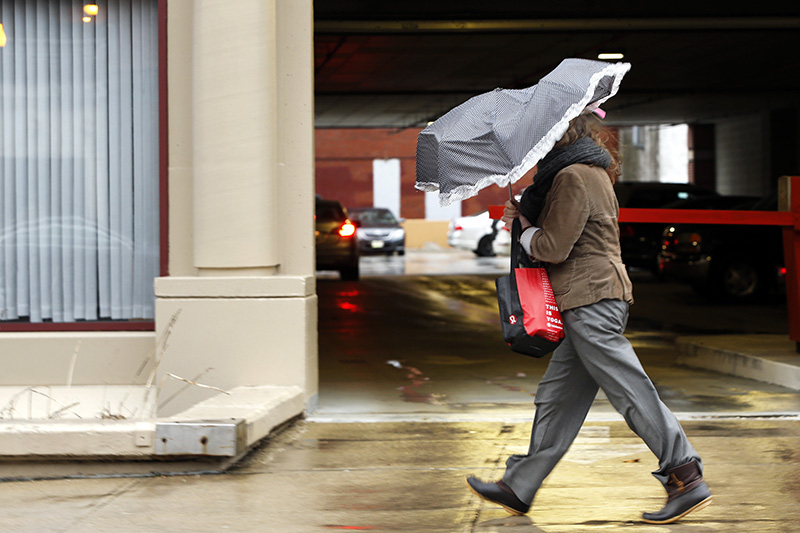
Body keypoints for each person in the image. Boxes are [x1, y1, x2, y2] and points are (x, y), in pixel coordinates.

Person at [466, 112, 712, 525]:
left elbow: (553, 247)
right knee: (557, 398)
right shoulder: (588, 171)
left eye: (543, 137)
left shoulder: (572, 176)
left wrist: (523, 226)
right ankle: (519, 487)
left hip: (590, 300)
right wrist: (527, 218)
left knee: (630, 390)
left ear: (561, 135)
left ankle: (685, 475)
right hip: (589, 297)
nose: (537, 146)